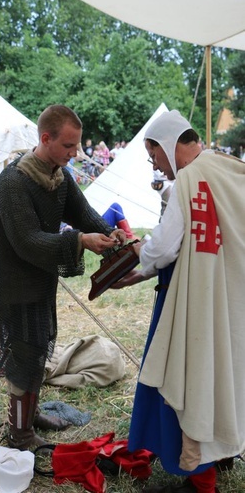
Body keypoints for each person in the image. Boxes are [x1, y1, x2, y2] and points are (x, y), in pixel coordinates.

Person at [112, 109, 245, 493]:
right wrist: (139, 274)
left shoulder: (190, 180)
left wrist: (138, 250)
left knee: (195, 377)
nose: (156, 166)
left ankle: (200, 473)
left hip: (198, 303)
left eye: (154, 156)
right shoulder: (230, 166)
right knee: (227, 374)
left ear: (168, 147)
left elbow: (163, 249)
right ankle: (222, 452)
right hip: (231, 297)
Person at [0, 104, 126, 451]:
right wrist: (80, 241)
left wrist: (114, 234)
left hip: (40, 279)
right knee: (24, 352)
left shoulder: (58, 177)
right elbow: (26, 241)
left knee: (39, 346)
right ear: (46, 139)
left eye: (77, 145)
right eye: (68, 146)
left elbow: (84, 214)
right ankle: (19, 433)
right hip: (14, 282)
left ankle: (28, 415)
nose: (75, 153)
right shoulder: (13, 182)